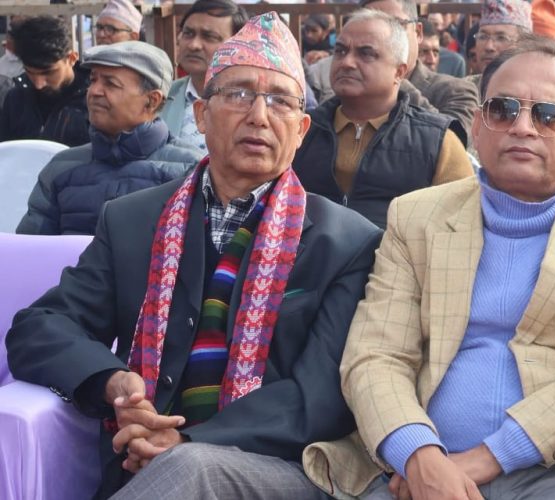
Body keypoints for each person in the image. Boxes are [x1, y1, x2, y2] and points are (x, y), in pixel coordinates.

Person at [5, 12, 381, 499]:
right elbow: (41, 326)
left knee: (192, 467)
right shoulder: (132, 219)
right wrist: (114, 382)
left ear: (302, 129)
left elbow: (321, 396)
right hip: (142, 457)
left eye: (280, 101)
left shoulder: (347, 242)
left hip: (280, 468)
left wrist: (185, 441)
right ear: (201, 115)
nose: (259, 116)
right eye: (239, 94)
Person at [301, 35, 555, 500]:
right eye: (502, 110)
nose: (522, 127)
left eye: (549, 115)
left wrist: (487, 457)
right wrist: (418, 455)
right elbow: (376, 356)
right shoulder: (417, 216)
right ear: (477, 128)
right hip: (410, 469)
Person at [292, 9, 472, 230]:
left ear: (399, 72)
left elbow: (461, 225)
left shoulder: (437, 141)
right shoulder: (300, 130)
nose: (347, 62)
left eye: (366, 54)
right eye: (340, 51)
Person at [16, 42, 200, 236]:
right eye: (93, 80)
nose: (94, 91)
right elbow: (31, 245)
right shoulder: (61, 167)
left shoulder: (190, 170)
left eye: (111, 84)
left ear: (152, 100)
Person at [362, 0, 479, 144]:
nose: (383, 38)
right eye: (371, 29)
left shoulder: (457, 91)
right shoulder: (350, 90)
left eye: (395, 25)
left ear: (417, 32)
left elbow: (454, 142)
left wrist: (394, 78)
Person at [160, 0, 248, 150]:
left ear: (238, 45)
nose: (194, 45)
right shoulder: (161, 97)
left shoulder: (253, 104)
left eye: (209, 37)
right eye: (188, 33)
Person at [0, 15, 90, 146]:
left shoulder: (94, 100)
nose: (39, 84)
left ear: (71, 58)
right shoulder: (15, 99)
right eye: (30, 72)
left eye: (48, 73)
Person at [467, 0, 532, 87]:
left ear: (523, 44)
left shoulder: (537, 90)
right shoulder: (463, 89)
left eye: (501, 38)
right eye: (483, 37)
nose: (489, 47)